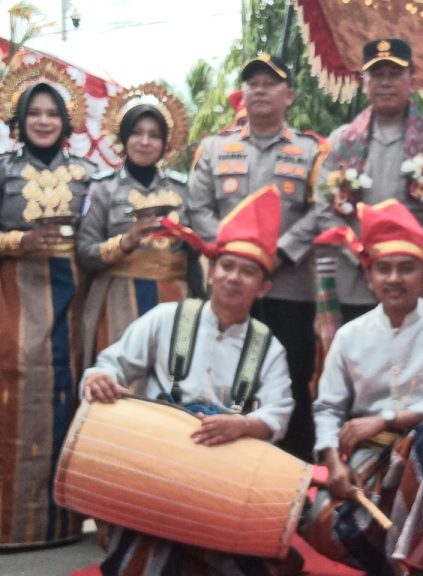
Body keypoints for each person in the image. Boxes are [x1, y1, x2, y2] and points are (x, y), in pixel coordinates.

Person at [80, 187, 300, 575]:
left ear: (263, 287)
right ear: (211, 271)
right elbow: (112, 363)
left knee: (265, 561)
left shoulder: (269, 347)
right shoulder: (166, 317)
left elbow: (278, 411)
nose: (234, 278)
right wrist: (99, 377)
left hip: (223, 465)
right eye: (226, 266)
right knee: (145, 554)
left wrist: (244, 425)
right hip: (158, 461)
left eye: (247, 272)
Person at [306, 200, 423, 576]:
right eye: (383, 269)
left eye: (406, 268)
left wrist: (388, 418)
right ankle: (400, 555)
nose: (394, 279)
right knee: (321, 524)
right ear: (369, 277)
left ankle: (406, 561)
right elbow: (327, 408)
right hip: (371, 456)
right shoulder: (350, 336)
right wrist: (334, 463)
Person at [187, 53, 322, 461]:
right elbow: (197, 208)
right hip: (228, 288)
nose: (259, 90)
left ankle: (291, 470)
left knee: (292, 379)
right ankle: (220, 462)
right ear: (242, 93)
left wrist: (279, 253)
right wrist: (236, 256)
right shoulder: (214, 148)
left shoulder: (311, 151)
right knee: (222, 375)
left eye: (270, 83)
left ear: (289, 95)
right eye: (252, 83)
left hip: (287, 288)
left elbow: (323, 210)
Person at [0, 67, 96, 548]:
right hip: (12, 299)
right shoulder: (2, 171)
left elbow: (98, 242)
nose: (43, 121)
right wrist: (17, 241)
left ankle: (61, 526)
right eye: (34, 113)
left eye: (52, 113)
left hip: (73, 301)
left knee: (68, 394)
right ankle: (8, 525)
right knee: (10, 396)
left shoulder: (90, 176)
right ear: (18, 120)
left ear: (66, 120)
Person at [315, 37, 423, 323]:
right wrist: (360, 253)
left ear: (412, 80)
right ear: (364, 82)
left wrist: (410, 253)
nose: (385, 82)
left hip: (417, 280)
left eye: (395, 74)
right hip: (355, 280)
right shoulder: (340, 141)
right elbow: (323, 207)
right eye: (377, 74)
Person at [77, 85, 202, 370]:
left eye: (154, 135)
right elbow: (85, 252)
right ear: (123, 137)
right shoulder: (102, 188)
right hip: (117, 298)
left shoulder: (183, 189)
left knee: (170, 376)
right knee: (119, 377)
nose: (145, 141)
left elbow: (194, 256)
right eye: (136, 132)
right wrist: (125, 242)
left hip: (175, 299)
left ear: (165, 142)